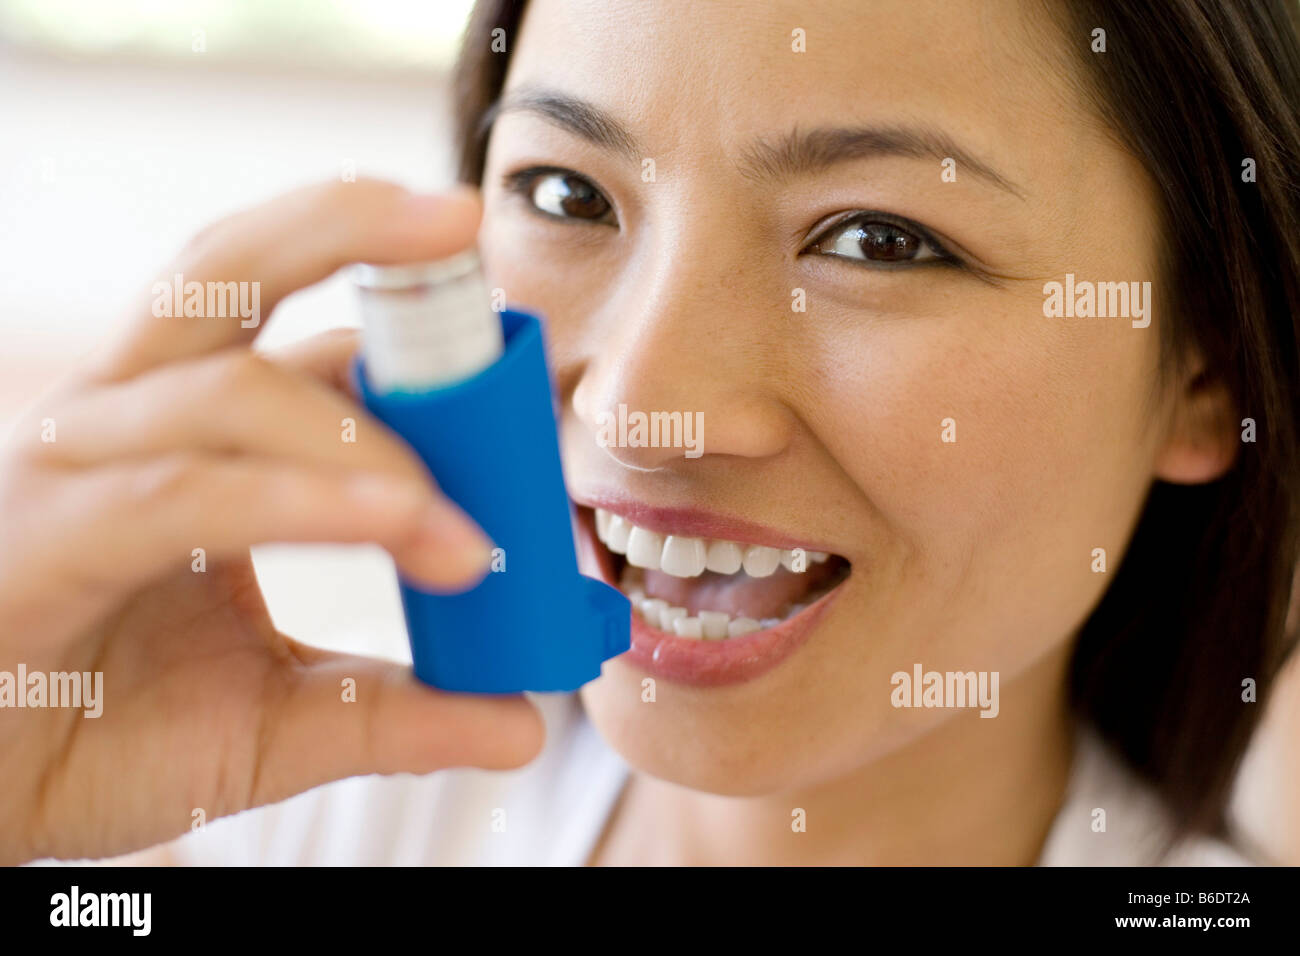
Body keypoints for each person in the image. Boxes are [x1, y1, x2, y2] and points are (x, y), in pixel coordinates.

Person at [3, 0, 1298, 866]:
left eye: (879, 239)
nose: (637, 403)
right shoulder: (259, 822)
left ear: (1205, 377)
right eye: (566, 193)